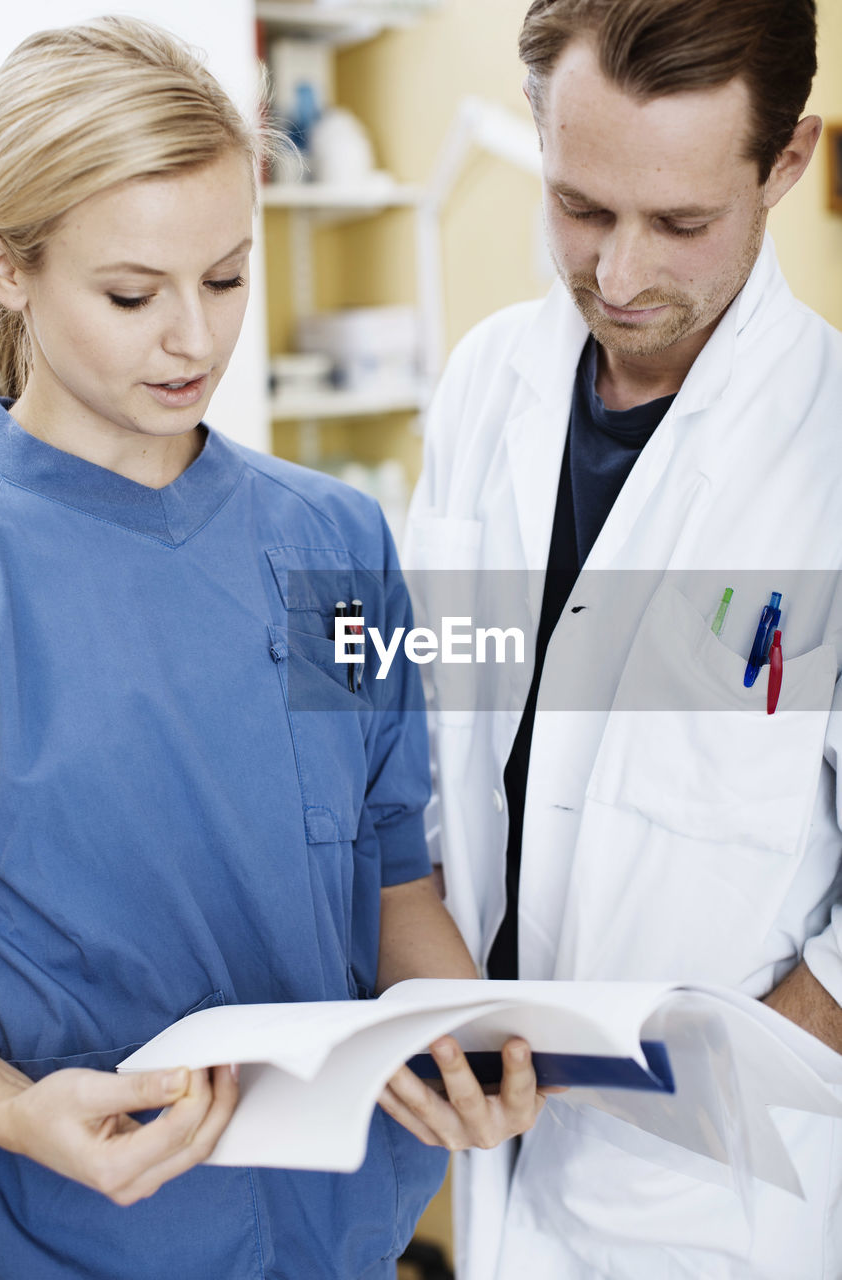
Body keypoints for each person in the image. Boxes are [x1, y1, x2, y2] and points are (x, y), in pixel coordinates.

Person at [0, 17, 545, 1279]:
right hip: (77, 1236)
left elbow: (393, 877)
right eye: (133, 294)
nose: (195, 338)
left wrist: (468, 1042)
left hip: (346, 1228)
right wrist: (14, 1111)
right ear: (7, 270)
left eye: (229, 277)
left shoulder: (329, 539)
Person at [404, 1, 842, 1276]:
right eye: (580, 208)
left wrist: (728, 1074)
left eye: (682, 223)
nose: (619, 274)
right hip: (490, 1150)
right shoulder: (488, 383)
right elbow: (433, 731)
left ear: (788, 162)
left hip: (713, 1205)